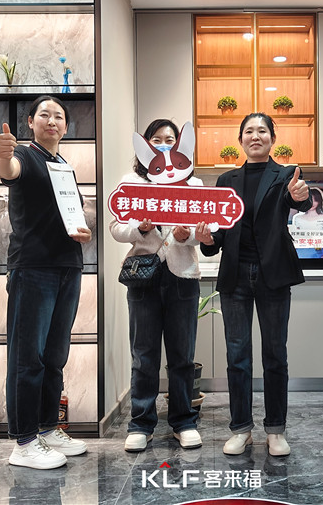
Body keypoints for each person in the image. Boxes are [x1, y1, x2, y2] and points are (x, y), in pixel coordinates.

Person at [196, 112, 310, 457]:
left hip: (273, 274)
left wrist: (300, 196)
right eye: (249, 131)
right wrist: (207, 239)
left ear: (272, 139)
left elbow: (297, 199)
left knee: (275, 354)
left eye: (262, 131)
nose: (255, 136)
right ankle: (241, 429)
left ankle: (276, 430)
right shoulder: (226, 180)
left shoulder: (286, 175)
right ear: (241, 139)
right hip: (235, 275)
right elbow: (217, 234)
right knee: (237, 356)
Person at [0, 95, 92, 470]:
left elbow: (68, 216)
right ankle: (23, 442)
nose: (52, 121)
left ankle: (48, 429)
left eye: (59, 117)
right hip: (33, 268)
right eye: (44, 115)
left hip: (67, 266)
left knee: (54, 356)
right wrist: (3, 155)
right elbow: (8, 170)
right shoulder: (25, 155)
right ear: (31, 122)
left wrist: (83, 232)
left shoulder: (63, 165)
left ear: (65, 127)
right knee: (27, 358)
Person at [110, 119, 204, 452]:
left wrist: (186, 235)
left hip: (183, 275)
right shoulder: (131, 182)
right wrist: (141, 229)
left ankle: (184, 421)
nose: (164, 144)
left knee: (182, 355)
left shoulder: (193, 184)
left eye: (170, 139)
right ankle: (141, 423)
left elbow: (204, 231)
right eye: (157, 139)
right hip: (143, 277)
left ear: (179, 146)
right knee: (143, 355)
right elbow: (116, 228)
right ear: (146, 146)